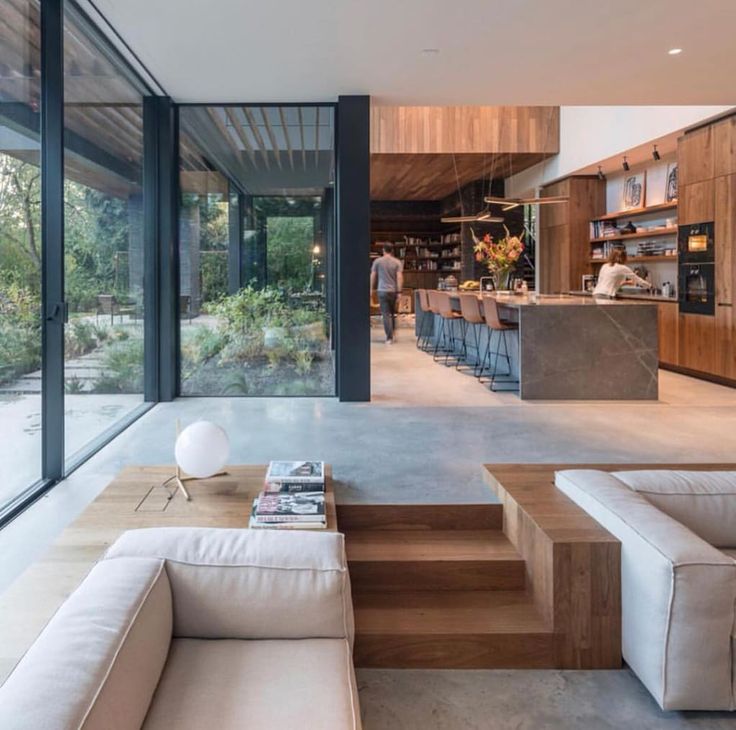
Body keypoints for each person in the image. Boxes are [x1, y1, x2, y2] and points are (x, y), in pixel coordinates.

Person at [370, 242, 403, 344]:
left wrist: (371, 289)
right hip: (393, 291)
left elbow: (373, 275)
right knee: (393, 314)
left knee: (385, 314)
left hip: (382, 290)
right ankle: (392, 334)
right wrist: (399, 291)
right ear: (392, 251)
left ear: (383, 250)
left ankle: (389, 337)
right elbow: (399, 277)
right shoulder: (397, 262)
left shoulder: (377, 261)